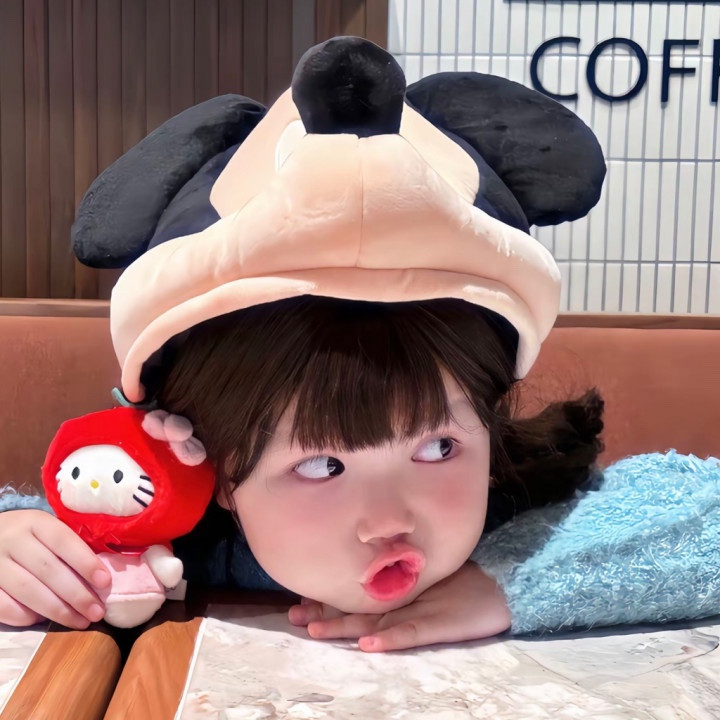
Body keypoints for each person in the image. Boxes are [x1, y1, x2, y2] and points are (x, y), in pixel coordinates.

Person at [0, 37, 718, 650]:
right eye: (322, 464)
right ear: (211, 467)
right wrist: (19, 546)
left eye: (440, 447)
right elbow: (36, 530)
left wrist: (511, 582)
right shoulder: (173, 536)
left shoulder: (513, 516)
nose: (390, 519)